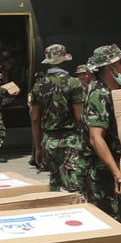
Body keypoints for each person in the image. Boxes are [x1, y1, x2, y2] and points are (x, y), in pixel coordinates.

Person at [82, 44, 121, 226]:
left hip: (110, 171)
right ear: (109, 68)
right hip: (102, 176)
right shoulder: (99, 94)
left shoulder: (112, 92)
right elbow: (96, 137)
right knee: (110, 224)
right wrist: (116, 172)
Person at [29, 44, 86, 193]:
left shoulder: (38, 86)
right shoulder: (74, 83)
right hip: (70, 140)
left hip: (49, 141)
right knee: (74, 184)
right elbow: (79, 117)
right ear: (64, 60)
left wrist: (38, 147)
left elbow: (35, 119)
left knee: (55, 180)